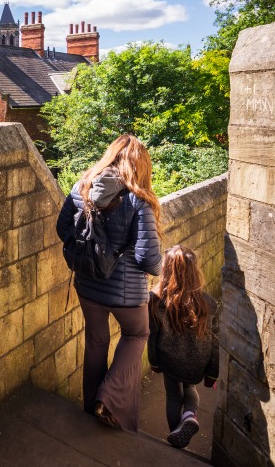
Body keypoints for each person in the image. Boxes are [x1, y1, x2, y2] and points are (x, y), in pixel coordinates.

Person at [56, 134, 162, 432]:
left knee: (96, 342)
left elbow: (62, 228)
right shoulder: (137, 200)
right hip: (126, 294)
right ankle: (109, 399)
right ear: (139, 164)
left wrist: (88, 250)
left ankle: (91, 407)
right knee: (137, 334)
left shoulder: (82, 188)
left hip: (87, 285)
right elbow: (149, 260)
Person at [148, 245, 220, 449]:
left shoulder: (156, 300)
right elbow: (215, 341)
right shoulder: (210, 303)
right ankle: (189, 416)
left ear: (166, 270)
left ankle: (176, 437)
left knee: (173, 395)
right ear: (195, 271)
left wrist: (154, 362)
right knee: (190, 388)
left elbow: (152, 335)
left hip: (169, 359)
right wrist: (213, 372)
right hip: (197, 361)